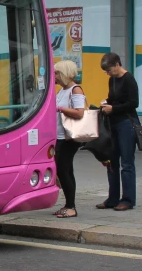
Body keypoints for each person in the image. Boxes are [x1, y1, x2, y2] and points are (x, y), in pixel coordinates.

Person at [97, 53, 140, 211]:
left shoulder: (128, 79)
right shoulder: (112, 79)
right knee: (111, 162)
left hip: (127, 123)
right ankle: (113, 198)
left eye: (109, 70)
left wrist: (113, 108)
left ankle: (128, 200)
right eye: (106, 72)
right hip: (113, 123)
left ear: (117, 64)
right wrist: (106, 104)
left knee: (127, 163)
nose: (108, 74)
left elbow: (133, 103)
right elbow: (112, 98)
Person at [52, 60, 85, 219]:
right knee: (65, 170)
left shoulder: (75, 90)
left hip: (69, 138)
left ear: (64, 73)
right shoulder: (62, 91)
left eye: (57, 73)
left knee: (63, 170)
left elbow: (79, 113)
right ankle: (68, 205)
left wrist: (60, 108)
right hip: (60, 136)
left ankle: (71, 207)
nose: (54, 76)